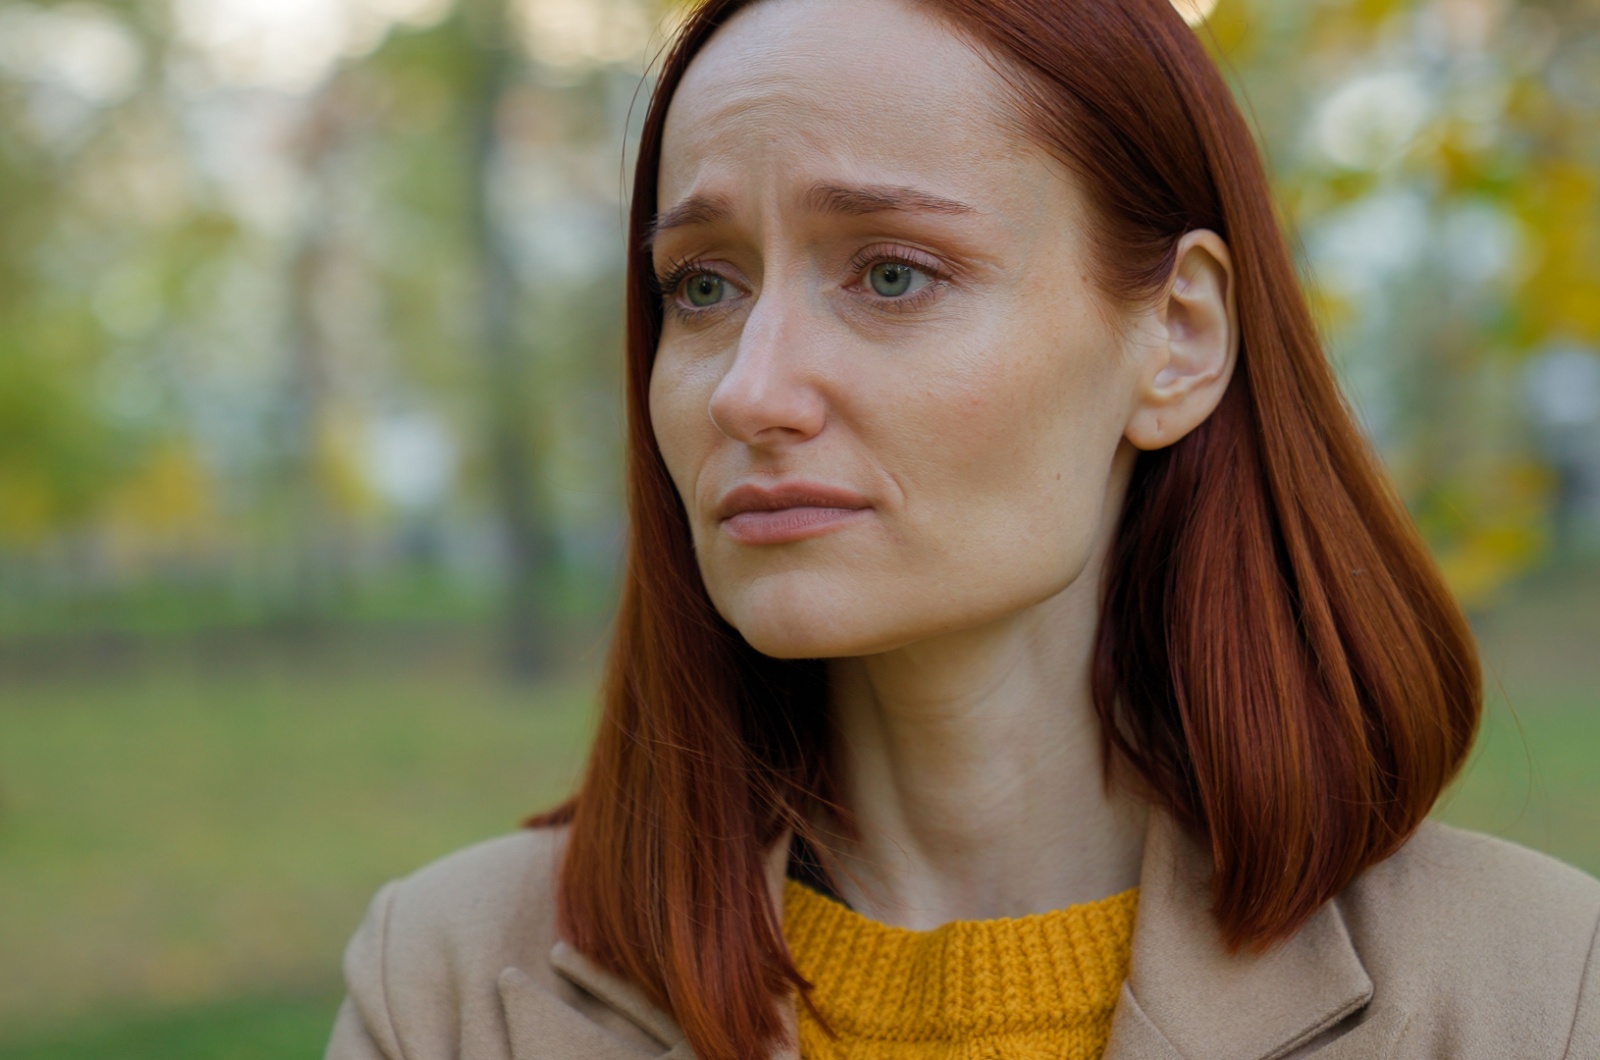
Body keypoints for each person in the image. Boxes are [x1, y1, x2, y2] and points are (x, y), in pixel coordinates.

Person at [325, 0, 1600, 1057]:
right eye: (702, 286)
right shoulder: (443, 984)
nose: (749, 389)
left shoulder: (1536, 995)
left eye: (891, 272)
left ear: (1178, 337)